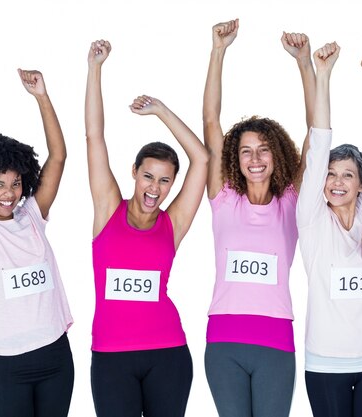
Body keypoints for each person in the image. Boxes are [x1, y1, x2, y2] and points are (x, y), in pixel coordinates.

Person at [85, 39, 208, 417]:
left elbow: (201, 158)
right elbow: (94, 137)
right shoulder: (108, 209)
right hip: (110, 357)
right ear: (134, 174)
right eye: (148, 176)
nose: (154, 188)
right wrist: (95, 69)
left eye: (165, 181)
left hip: (167, 354)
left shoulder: (173, 224)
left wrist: (162, 112)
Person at [202, 19, 312, 417]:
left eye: (264, 150)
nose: (255, 159)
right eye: (246, 151)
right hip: (224, 342)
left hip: (275, 343)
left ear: (277, 154)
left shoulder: (290, 204)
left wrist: (304, 65)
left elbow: (315, 136)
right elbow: (212, 124)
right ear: (236, 157)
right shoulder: (223, 199)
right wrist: (218, 51)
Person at [0, 70, 74, 417]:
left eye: (16, 183)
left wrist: (42, 97)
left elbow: (59, 157)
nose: (9, 193)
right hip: (6, 368)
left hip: (55, 358)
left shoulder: (31, 216)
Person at [297, 41, 362, 417]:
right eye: (331, 174)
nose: (337, 182)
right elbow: (318, 146)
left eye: (348, 175)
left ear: (361, 183)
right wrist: (324, 76)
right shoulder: (311, 217)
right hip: (325, 362)